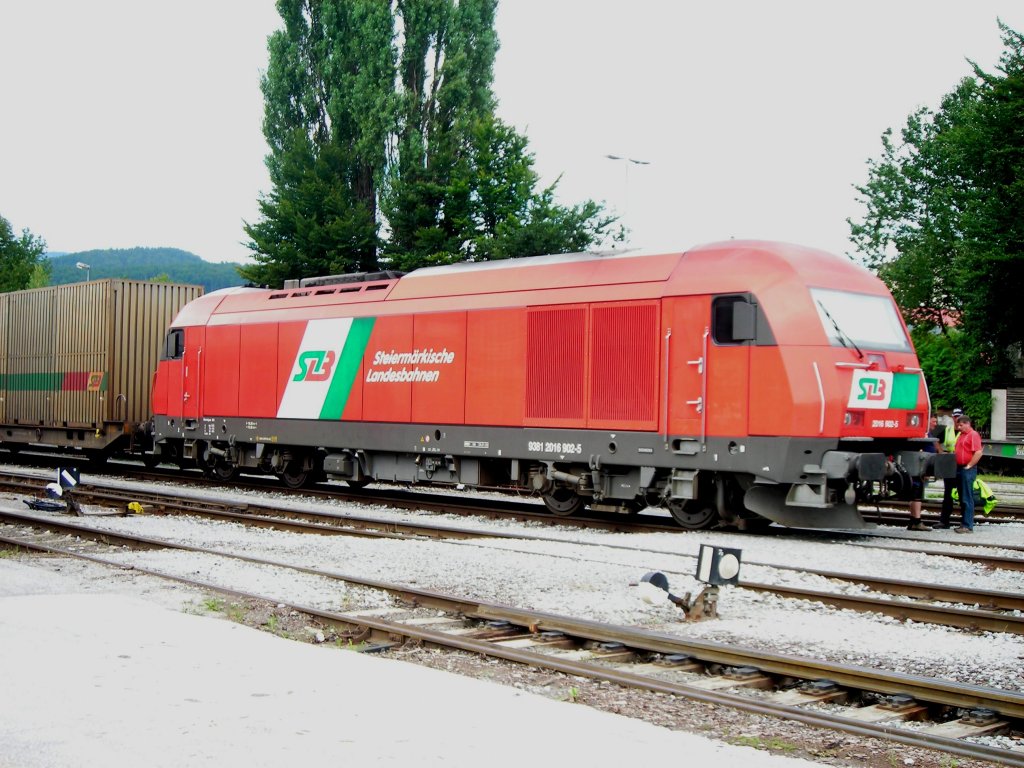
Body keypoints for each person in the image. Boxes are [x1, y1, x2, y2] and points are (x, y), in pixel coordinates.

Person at [907, 414, 939, 531]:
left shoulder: (926, 433)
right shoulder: (923, 433)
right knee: (917, 493)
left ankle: (913, 520)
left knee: (916, 493)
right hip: (919, 467)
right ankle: (916, 521)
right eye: (933, 421)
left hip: (920, 466)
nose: (935, 424)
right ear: (927, 421)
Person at [953, 415, 984, 533]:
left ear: (967, 423)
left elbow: (978, 452)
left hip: (967, 469)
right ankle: (964, 523)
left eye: (961, 425)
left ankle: (967, 525)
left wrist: (969, 465)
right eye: (958, 425)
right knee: (962, 496)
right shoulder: (961, 435)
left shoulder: (973, 435)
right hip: (960, 468)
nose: (959, 427)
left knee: (967, 496)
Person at [934, 409, 961, 529]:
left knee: (963, 492)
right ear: (953, 418)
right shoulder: (948, 430)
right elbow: (935, 440)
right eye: (955, 416)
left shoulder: (965, 431)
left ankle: (965, 522)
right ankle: (944, 521)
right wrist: (940, 451)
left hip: (961, 463)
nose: (957, 419)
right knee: (948, 493)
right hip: (950, 462)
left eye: (959, 416)